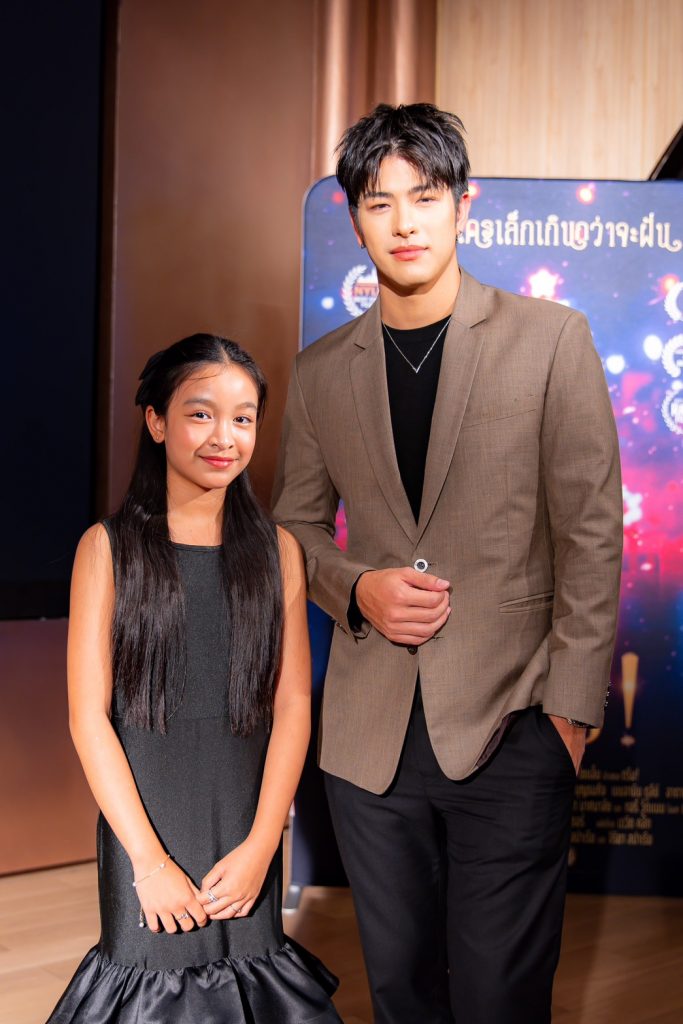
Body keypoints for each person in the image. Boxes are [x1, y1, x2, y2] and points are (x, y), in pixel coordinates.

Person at [272, 104, 623, 1024]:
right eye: (379, 202)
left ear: (463, 206)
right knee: (400, 994)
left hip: (514, 723)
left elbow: (591, 535)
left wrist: (568, 716)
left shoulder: (551, 339)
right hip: (368, 741)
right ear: (354, 219)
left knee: (501, 997)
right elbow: (293, 527)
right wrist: (356, 587)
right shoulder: (319, 371)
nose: (404, 222)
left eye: (424, 197)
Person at [48, 335, 342, 1023]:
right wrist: (148, 862)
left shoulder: (278, 551)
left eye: (243, 418)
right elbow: (88, 719)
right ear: (156, 421)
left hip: (246, 827)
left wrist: (263, 845)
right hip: (145, 826)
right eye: (201, 414)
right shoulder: (107, 548)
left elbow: (292, 705)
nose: (224, 437)